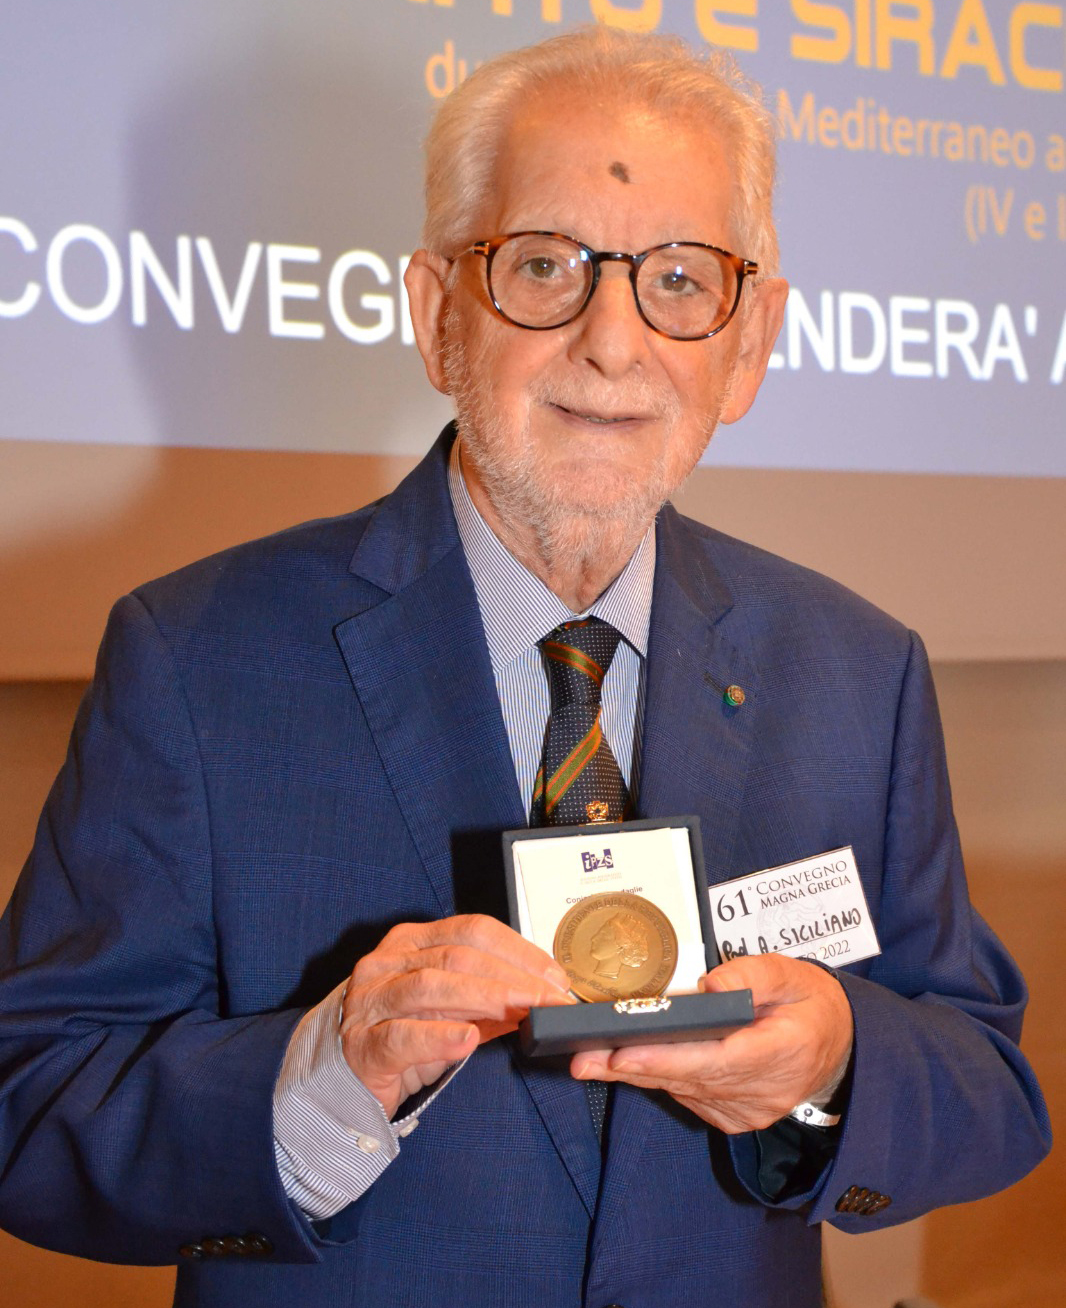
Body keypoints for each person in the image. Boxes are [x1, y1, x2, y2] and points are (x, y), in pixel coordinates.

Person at [0, 26, 1049, 1308]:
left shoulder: (857, 670)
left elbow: (987, 1083)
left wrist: (834, 1061)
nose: (613, 343)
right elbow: (29, 1106)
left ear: (750, 341)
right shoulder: (197, 657)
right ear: (440, 315)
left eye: (678, 279)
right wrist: (321, 1076)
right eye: (544, 266)